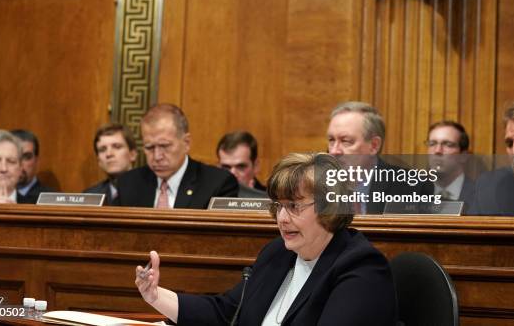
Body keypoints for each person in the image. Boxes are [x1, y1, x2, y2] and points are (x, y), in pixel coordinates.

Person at [135, 153, 398, 325]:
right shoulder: (278, 253)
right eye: (278, 206)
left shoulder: (361, 268)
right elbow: (225, 312)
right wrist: (156, 296)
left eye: (294, 206)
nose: (282, 218)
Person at [117, 104, 238, 208]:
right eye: (149, 147)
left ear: (186, 143)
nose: (157, 156)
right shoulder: (128, 183)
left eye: (164, 146)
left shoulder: (217, 184)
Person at [327, 101, 431, 214]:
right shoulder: (315, 186)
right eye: (331, 140)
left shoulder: (412, 187)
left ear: (374, 146)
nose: (334, 151)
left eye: (345, 141)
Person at [84, 123, 138, 205]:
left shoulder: (152, 191)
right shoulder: (89, 196)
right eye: (102, 149)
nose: (109, 154)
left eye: (117, 147)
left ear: (132, 154)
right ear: (98, 160)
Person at [425, 121, 475, 206]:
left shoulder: (480, 194)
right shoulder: (413, 192)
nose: (437, 151)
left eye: (447, 144)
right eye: (432, 144)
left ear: (463, 156)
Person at [216, 131, 267, 197]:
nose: (232, 174)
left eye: (241, 167)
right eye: (226, 167)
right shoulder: (209, 196)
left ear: (256, 166)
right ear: (218, 166)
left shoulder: (271, 199)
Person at [11, 129, 55, 203]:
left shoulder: (51, 199)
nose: (19, 163)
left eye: (26, 157)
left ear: (37, 161)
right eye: (12, 157)